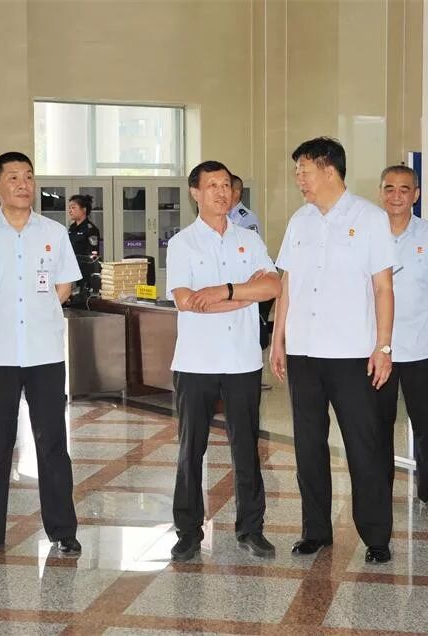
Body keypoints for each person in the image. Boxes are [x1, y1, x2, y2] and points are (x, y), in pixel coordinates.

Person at [271, 137, 397, 564]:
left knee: (364, 446)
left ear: (329, 170)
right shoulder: (299, 221)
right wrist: (278, 338)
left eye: (304, 171)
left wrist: (383, 346)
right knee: (308, 445)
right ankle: (315, 530)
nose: (299, 179)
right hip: (304, 351)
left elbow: (383, 288)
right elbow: (288, 284)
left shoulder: (370, 218)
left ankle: (376, 536)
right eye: (297, 172)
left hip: (352, 353)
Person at [0, 151, 82, 558]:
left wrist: (39, 315)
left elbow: (65, 286)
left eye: (28, 176)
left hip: (45, 354)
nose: (23, 184)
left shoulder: (53, 232)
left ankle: (63, 530)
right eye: (13, 177)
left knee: (52, 444)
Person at [166, 160, 282, 561]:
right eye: (212, 185)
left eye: (227, 185)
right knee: (190, 449)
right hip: (195, 362)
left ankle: (251, 528)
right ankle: (187, 531)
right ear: (195, 193)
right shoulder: (182, 243)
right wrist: (243, 296)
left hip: (242, 361)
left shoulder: (248, 240)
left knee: (246, 448)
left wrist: (223, 292)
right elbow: (185, 300)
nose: (221, 192)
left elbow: (273, 286)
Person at [372, 165, 428, 514]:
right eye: (389, 188)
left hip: (424, 347)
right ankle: (379, 489)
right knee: (378, 424)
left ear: (416, 194)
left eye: (404, 189)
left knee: (426, 423)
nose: (396, 195)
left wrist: (415, 305)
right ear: (380, 192)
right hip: (378, 349)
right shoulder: (367, 233)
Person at [228, 175, 273, 351]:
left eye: (226, 188)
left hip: (243, 282)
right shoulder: (222, 217)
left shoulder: (246, 218)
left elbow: (249, 254)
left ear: (236, 192)